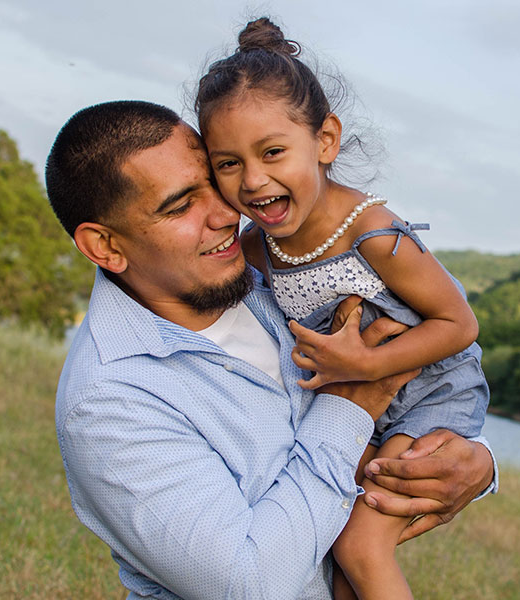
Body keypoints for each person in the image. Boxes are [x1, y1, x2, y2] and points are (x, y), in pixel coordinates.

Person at [46, 100, 496, 600]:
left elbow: (434, 348)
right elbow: (251, 584)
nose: (224, 215)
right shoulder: (109, 401)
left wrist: (475, 462)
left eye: (214, 183)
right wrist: (349, 404)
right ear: (106, 246)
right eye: (179, 206)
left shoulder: (273, 277)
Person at [195, 18, 490, 600]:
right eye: (228, 163)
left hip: (427, 393)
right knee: (332, 547)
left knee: (360, 545)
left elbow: (460, 325)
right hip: (352, 406)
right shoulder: (255, 248)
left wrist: (365, 367)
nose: (254, 181)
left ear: (325, 141)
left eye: (273, 152)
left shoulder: (372, 232)